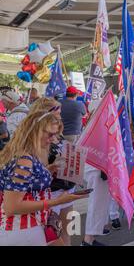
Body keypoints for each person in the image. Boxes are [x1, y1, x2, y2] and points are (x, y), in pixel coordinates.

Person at [0, 111, 87, 245]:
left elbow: (26, 186)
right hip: (22, 231)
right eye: (50, 134)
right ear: (35, 131)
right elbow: (12, 207)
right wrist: (57, 201)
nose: (53, 139)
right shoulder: (24, 160)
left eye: (56, 134)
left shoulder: (25, 154)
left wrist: (48, 170)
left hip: (29, 227)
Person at [29, 97, 77, 246]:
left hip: (67, 189)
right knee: (52, 237)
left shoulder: (57, 132)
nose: (61, 117)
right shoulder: (38, 137)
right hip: (51, 194)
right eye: (58, 113)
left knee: (67, 232)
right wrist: (52, 167)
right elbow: (36, 171)